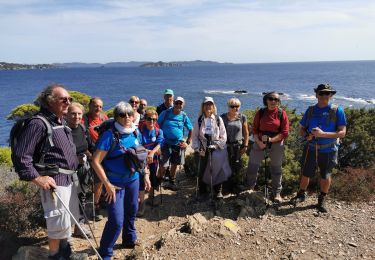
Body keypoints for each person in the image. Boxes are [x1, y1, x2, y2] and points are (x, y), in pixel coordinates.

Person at [12, 84, 87, 259]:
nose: (68, 102)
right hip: (55, 185)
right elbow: (21, 156)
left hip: (68, 181)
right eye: (64, 99)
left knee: (66, 224)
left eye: (70, 99)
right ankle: (56, 256)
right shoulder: (38, 123)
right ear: (49, 101)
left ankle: (64, 255)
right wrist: (38, 178)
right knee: (57, 228)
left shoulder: (60, 122)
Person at [91, 102, 151, 260]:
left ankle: (129, 239)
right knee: (116, 220)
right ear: (116, 117)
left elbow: (140, 157)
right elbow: (95, 161)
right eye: (122, 115)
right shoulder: (109, 136)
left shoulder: (135, 132)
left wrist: (145, 175)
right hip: (115, 184)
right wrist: (107, 184)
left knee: (132, 211)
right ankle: (105, 252)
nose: (127, 118)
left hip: (133, 180)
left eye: (130, 114)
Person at [291, 84, 346, 213]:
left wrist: (322, 134)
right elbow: (302, 130)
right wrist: (307, 135)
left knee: (325, 174)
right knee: (305, 172)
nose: (324, 96)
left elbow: (342, 133)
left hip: (328, 149)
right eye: (321, 93)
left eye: (327, 93)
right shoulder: (310, 110)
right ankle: (301, 194)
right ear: (316, 95)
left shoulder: (337, 110)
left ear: (331, 95)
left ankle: (322, 198)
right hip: (310, 147)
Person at [246, 91, 289, 203]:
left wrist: (271, 140)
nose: (273, 101)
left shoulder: (281, 113)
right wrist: (259, 142)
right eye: (271, 99)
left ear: (278, 102)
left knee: (276, 169)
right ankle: (250, 189)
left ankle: (277, 194)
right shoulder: (260, 113)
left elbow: (284, 132)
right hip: (259, 142)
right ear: (266, 100)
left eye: (276, 99)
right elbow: (254, 130)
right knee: (252, 166)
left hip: (276, 144)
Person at [192, 97, 231, 199]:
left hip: (216, 149)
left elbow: (224, 136)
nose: (208, 106)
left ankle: (218, 191)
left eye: (210, 104)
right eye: (206, 104)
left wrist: (216, 145)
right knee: (202, 170)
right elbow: (195, 136)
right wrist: (197, 148)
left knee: (217, 170)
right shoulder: (199, 120)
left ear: (213, 107)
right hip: (202, 150)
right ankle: (203, 191)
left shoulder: (218, 119)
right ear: (203, 106)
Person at [66, 102, 94, 238]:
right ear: (66, 114)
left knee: (81, 197)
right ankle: (64, 232)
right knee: (67, 200)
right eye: (73, 113)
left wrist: (92, 157)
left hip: (82, 169)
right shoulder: (63, 130)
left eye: (79, 114)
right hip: (67, 172)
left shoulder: (82, 128)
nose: (76, 116)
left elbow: (86, 146)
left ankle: (78, 227)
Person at [157, 96, 193, 190]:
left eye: (180, 103)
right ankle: (157, 182)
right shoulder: (166, 113)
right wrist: (158, 140)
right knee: (163, 165)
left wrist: (187, 142)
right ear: (174, 103)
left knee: (174, 164)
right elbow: (157, 125)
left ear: (183, 105)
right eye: (176, 103)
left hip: (178, 144)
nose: (178, 105)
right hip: (165, 143)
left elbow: (191, 129)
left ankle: (172, 182)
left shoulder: (184, 115)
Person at [82, 97, 108, 221]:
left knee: (104, 179)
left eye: (100, 106)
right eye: (95, 106)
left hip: (105, 153)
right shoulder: (84, 120)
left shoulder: (104, 118)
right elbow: (80, 139)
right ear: (90, 106)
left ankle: (102, 200)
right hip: (92, 154)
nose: (98, 108)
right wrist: (88, 154)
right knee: (97, 182)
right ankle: (95, 207)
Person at [138, 109, 164, 214]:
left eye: (154, 119)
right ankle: (141, 203)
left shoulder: (158, 131)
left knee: (153, 176)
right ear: (145, 119)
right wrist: (150, 152)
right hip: (141, 158)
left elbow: (159, 143)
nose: (152, 121)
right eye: (149, 119)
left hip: (153, 159)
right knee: (141, 180)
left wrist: (152, 153)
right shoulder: (140, 130)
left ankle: (151, 196)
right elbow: (138, 145)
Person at [221, 98, 249, 190]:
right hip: (226, 146)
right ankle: (225, 187)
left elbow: (246, 132)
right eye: (232, 106)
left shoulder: (242, 117)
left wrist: (245, 145)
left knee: (237, 166)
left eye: (237, 106)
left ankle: (235, 186)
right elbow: (219, 133)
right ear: (228, 107)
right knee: (226, 166)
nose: (235, 108)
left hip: (238, 146)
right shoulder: (222, 117)